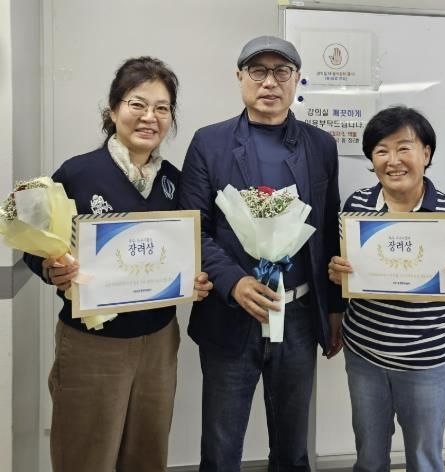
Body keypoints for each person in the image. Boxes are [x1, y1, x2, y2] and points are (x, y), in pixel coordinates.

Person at [23, 56, 213, 472]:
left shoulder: (174, 181)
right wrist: (52, 268)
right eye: (137, 104)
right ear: (112, 110)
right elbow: (34, 248)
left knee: (147, 455)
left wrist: (194, 278)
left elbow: (187, 249)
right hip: (92, 345)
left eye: (162, 108)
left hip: (158, 340)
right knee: (86, 456)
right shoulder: (77, 173)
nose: (149, 117)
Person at [178, 36, 345, 471]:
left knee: (292, 449)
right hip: (229, 314)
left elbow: (328, 230)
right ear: (240, 77)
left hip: (299, 315)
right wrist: (234, 282)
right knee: (221, 448)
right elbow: (193, 230)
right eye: (258, 71)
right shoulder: (209, 143)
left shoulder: (320, 145)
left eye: (281, 71)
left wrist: (334, 309)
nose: (269, 82)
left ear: (296, 79)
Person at [328, 106, 445, 471]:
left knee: (424, 459)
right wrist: (337, 272)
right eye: (381, 151)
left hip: (427, 361)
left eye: (404, 148)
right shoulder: (356, 206)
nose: (393, 161)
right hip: (365, 354)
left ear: (426, 153)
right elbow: (346, 274)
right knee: (369, 457)